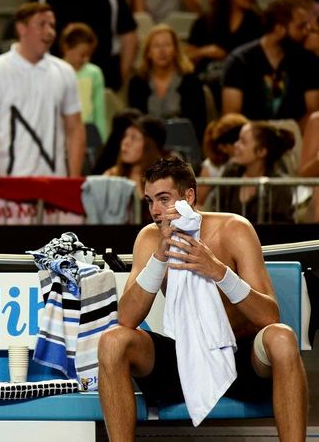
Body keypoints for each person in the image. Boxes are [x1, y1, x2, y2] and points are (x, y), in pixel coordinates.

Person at [98, 155, 308, 441]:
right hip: (183, 356)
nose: (155, 211)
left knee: (282, 337)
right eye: (149, 201)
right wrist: (160, 257)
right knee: (113, 341)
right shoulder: (149, 239)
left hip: (240, 359)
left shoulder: (234, 229)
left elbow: (269, 315)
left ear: (189, 196)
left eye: (163, 199)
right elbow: (127, 318)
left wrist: (219, 272)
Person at [0, 2, 85, 186]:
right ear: (21, 28)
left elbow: (75, 127)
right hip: (6, 181)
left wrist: (73, 179)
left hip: (53, 181)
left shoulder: (64, 72)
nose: (49, 32)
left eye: (52, 25)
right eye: (41, 24)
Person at [222, 0, 319, 129]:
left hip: (294, 139)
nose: (307, 31)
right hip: (251, 139)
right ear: (279, 29)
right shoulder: (240, 61)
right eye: (300, 27)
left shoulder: (307, 61)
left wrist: (290, 136)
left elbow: (313, 111)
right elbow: (232, 116)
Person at [29, 0, 138, 91]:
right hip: (53, 80)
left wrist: (119, 80)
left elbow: (129, 36)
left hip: (103, 80)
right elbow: (28, 32)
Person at [128, 24, 207, 140]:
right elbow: (136, 123)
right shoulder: (137, 83)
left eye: (167, 45)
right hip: (148, 145)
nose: (162, 51)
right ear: (148, 52)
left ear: (175, 50)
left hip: (183, 145)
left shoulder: (191, 81)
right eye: (156, 46)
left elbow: (198, 125)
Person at [219, 121, 296, 223]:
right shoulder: (230, 173)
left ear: (261, 151)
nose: (236, 145)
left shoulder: (279, 186)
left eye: (243, 142)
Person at [60, 22, 107, 142]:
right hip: (63, 131)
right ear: (66, 48)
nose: (86, 59)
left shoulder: (94, 73)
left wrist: (102, 139)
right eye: (82, 54)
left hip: (88, 131)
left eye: (89, 55)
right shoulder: (56, 72)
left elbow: (99, 110)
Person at [197, 112, 248, 207]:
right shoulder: (212, 166)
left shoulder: (251, 164)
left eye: (244, 142)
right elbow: (199, 202)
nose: (223, 149)